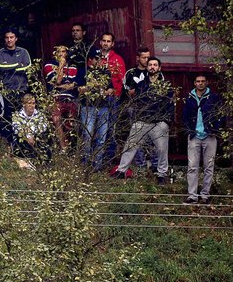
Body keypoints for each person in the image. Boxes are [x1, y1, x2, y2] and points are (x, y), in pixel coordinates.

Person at [113, 57, 172, 183]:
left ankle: (162, 174)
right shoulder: (141, 85)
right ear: (147, 68)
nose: (152, 67)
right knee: (130, 145)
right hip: (142, 120)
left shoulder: (165, 85)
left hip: (159, 121)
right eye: (150, 65)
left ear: (159, 68)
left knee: (162, 149)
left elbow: (169, 105)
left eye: (155, 65)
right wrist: (138, 118)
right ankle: (121, 171)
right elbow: (136, 102)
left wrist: (166, 121)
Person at [78, 33, 125, 171]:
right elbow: (79, 89)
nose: (98, 61)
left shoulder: (105, 72)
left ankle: (97, 166)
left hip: (104, 107)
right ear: (90, 60)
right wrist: (92, 87)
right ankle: (86, 164)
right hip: (88, 108)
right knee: (87, 135)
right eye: (96, 59)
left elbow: (112, 88)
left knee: (102, 138)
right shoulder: (84, 72)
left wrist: (109, 91)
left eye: (100, 59)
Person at [183, 74, 225, 205]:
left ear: (206, 83)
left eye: (202, 81)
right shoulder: (189, 98)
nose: (200, 83)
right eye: (197, 81)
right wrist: (188, 129)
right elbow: (184, 115)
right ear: (194, 83)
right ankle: (192, 196)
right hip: (194, 136)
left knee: (209, 166)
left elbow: (221, 115)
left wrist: (215, 129)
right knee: (192, 166)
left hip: (209, 135)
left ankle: (205, 195)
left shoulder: (214, 97)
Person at [43, 45, 78, 151]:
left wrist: (59, 86)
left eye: (63, 52)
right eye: (58, 52)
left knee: (70, 123)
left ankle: (71, 149)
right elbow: (57, 81)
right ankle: (64, 148)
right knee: (56, 119)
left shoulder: (73, 67)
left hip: (70, 98)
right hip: (55, 98)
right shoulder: (48, 65)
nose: (61, 54)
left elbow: (73, 85)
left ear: (66, 53)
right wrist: (61, 65)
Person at [10, 94, 52, 163]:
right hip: (23, 140)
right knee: (18, 138)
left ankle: (42, 160)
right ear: (23, 104)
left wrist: (31, 132)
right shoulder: (16, 115)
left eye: (33, 103)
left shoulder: (40, 115)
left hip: (37, 139)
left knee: (45, 136)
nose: (32, 106)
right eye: (29, 103)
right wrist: (28, 136)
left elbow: (43, 126)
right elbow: (16, 129)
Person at [0, 30, 32, 100]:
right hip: (6, 90)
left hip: (22, 89)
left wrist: (9, 66)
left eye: (11, 37)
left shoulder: (23, 52)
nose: (9, 40)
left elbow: (27, 67)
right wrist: (18, 64)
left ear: (16, 39)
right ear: (4, 39)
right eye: (7, 38)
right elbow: (1, 67)